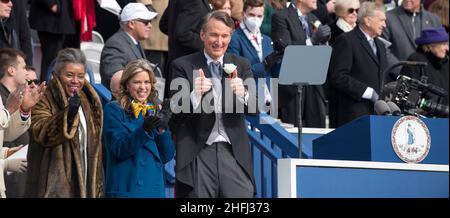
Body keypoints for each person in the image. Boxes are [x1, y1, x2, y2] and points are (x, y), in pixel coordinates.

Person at [170, 11, 258, 198]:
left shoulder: (241, 65)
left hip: (233, 152)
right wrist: (194, 95)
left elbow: (254, 110)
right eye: (214, 34)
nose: (219, 41)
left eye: (224, 36)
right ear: (202, 35)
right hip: (198, 152)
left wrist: (244, 93)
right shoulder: (182, 65)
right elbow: (175, 116)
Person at [26, 48, 103, 198]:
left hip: (86, 183)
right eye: (69, 75)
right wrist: (67, 116)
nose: (75, 81)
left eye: (81, 76)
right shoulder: (43, 98)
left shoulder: (89, 101)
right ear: (57, 74)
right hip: (52, 188)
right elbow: (40, 133)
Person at [103, 59, 174, 198]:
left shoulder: (153, 110)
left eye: (146, 82)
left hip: (154, 191)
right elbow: (119, 149)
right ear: (127, 85)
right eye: (137, 82)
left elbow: (167, 156)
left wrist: (162, 130)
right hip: (128, 191)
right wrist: (144, 130)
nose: (143, 87)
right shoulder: (114, 109)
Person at [271, 0, 331, 128]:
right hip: (292, 86)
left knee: (316, 132)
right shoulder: (281, 16)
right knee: (293, 133)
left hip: (314, 83)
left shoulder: (313, 18)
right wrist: (312, 40)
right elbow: (284, 49)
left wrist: (324, 43)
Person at [327, 1, 388, 127]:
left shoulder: (381, 45)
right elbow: (338, 77)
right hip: (353, 114)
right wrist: (368, 92)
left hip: (376, 114)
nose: (385, 25)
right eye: (381, 20)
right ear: (367, 21)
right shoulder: (347, 40)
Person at [0, 48, 46, 198]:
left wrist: (25, 109)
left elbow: (5, 134)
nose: (27, 72)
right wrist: (5, 164)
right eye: (24, 67)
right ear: (11, 70)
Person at [159, 0, 212, 98]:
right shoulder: (193, 2)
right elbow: (183, 33)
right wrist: (208, 44)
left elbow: (165, 25)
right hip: (189, 68)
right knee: (185, 109)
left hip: (177, 64)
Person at [100, 2, 158, 90]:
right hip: (123, 101)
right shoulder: (116, 44)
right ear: (131, 24)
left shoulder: (133, 42)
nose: (150, 25)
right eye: (146, 22)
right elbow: (115, 78)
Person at [400, 27, 448, 114]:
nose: (447, 48)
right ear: (430, 45)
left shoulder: (445, 63)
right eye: (443, 44)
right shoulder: (416, 61)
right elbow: (410, 95)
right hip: (424, 119)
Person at [28, 0, 76, 82]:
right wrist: (51, 3)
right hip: (52, 19)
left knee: (64, 59)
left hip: (66, 16)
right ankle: (47, 89)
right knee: (51, 59)